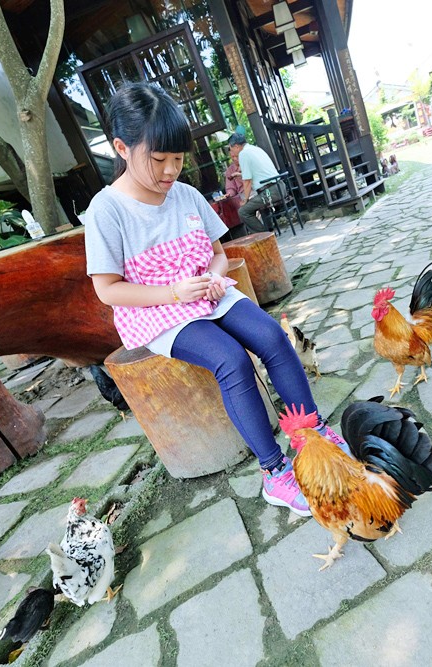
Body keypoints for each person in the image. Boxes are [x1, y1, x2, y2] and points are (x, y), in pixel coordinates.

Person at [83, 83, 347, 516]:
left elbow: (220, 255)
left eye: (178, 159)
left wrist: (213, 277)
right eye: (159, 159)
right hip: (158, 314)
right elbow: (107, 289)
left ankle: (312, 435)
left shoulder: (186, 196)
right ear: (121, 148)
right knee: (232, 360)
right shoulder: (106, 210)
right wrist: (174, 292)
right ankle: (275, 473)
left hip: (209, 296)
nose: (171, 170)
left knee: (272, 337)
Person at [227, 132, 284, 233]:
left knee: (243, 211)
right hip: (279, 187)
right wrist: (240, 175)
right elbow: (258, 173)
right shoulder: (255, 149)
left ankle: (264, 236)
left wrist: (246, 200)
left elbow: (247, 181)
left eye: (231, 149)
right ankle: (267, 230)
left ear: (236, 146)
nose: (232, 153)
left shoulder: (243, 154)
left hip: (270, 192)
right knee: (254, 203)